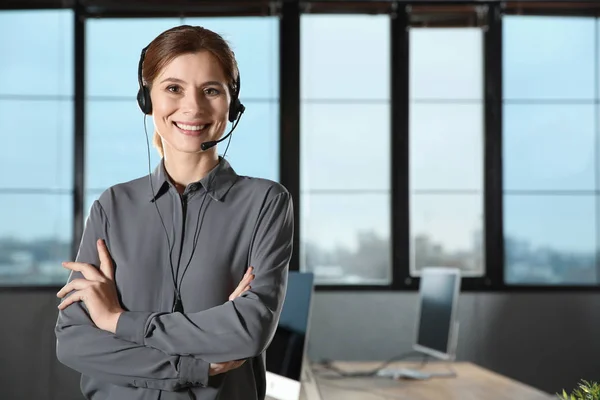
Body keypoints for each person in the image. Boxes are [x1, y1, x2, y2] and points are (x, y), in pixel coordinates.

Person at [54, 24, 294, 400]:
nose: (193, 107)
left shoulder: (265, 203)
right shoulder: (112, 206)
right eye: (173, 88)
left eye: (211, 90)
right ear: (147, 99)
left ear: (233, 104)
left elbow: (249, 330)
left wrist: (116, 320)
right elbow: (74, 342)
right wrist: (194, 366)